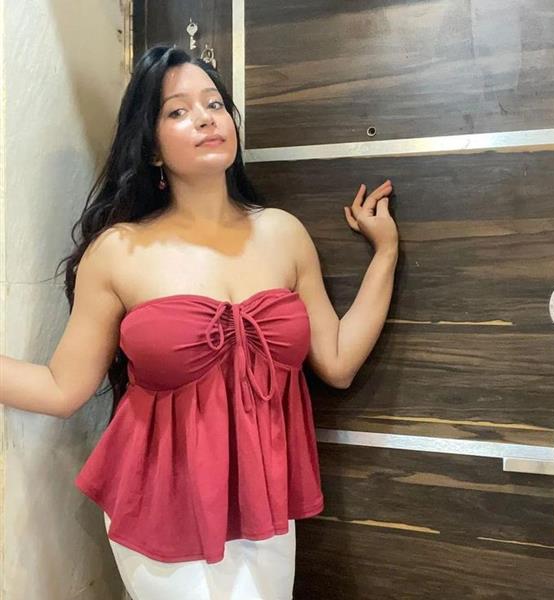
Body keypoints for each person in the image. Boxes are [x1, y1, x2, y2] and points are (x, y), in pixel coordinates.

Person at [0, 45, 399, 599]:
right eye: (178, 111)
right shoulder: (119, 250)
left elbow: (336, 362)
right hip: (157, 502)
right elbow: (61, 387)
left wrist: (385, 253)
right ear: (152, 147)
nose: (207, 118)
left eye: (215, 104)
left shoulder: (283, 233)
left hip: (262, 500)